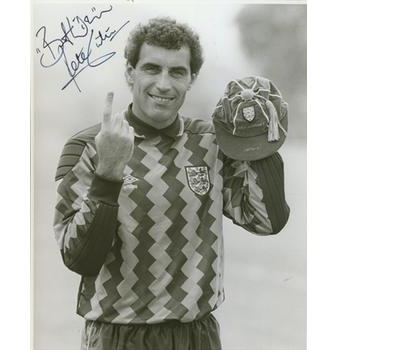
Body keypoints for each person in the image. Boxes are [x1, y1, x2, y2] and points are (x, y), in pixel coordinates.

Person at [53, 17, 290, 350]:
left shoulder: (211, 143)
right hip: (116, 335)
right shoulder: (89, 146)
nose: (163, 84)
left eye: (177, 72)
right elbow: (80, 259)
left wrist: (261, 144)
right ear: (129, 73)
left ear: (191, 79)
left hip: (196, 335)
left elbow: (267, 221)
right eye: (151, 68)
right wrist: (108, 174)